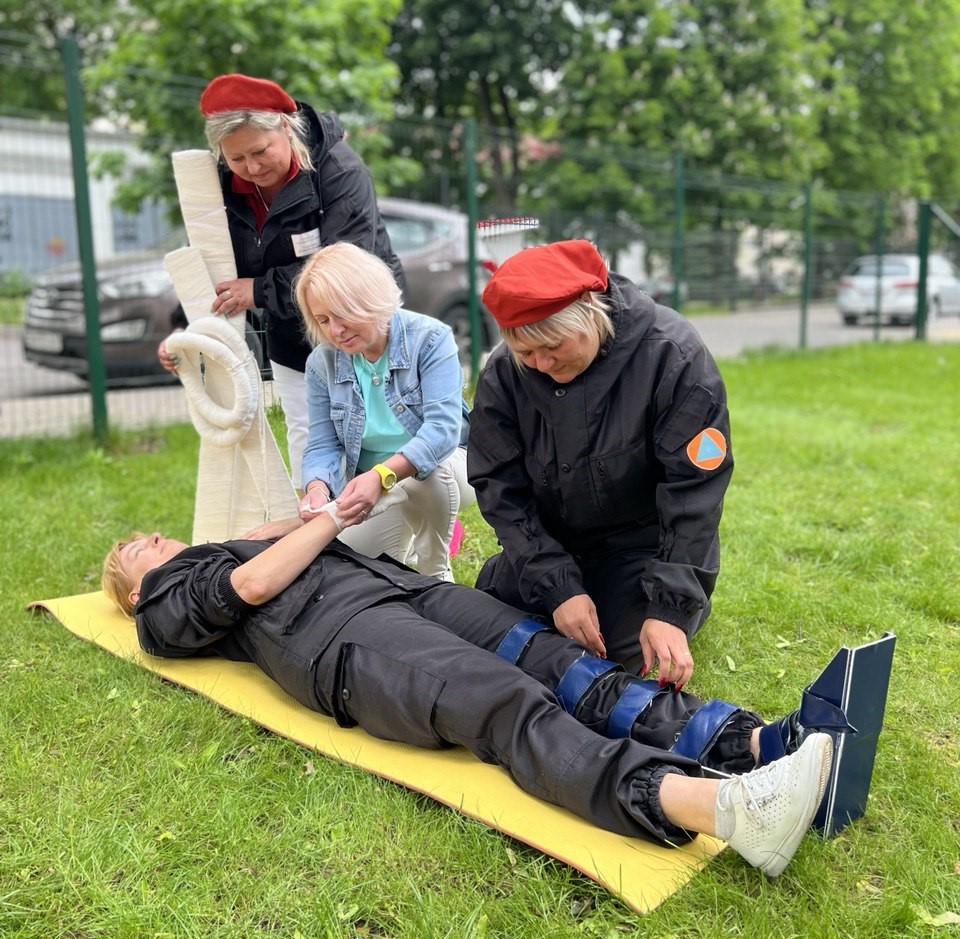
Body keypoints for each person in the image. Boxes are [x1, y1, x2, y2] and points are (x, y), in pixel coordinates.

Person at [101, 501, 835, 879]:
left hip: (403, 592)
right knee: (505, 701)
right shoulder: (164, 607)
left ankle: (750, 743)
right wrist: (322, 516)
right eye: (136, 547)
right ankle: (724, 810)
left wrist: (326, 501)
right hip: (345, 641)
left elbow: (275, 537)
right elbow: (257, 581)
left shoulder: (214, 550)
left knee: (551, 657)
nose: (152, 538)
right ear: (132, 592)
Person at [468, 240, 733, 687]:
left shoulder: (673, 356)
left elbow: (694, 492)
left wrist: (669, 608)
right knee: (479, 626)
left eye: (553, 346)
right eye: (527, 353)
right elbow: (500, 489)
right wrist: (557, 587)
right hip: (553, 544)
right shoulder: (504, 372)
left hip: (642, 547)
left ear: (592, 311)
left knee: (618, 660)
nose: (543, 364)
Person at [159, 73, 405, 491]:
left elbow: (350, 263)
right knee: (308, 435)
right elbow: (207, 266)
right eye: (237, 159)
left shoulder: (339, 170)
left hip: (363, 319)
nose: (252, 169)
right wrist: (186, 334)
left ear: (285, 128)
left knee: (379, 431)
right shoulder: (218, 187)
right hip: (291, 330)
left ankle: (401, 527)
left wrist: (256, 290)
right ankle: (325, 540)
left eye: (260, 151)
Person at [288, 242, 473, 581]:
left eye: (342, 314)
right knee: (356, 568)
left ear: (369, 297)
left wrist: (379, 476)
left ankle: (436, 570)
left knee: (427, 476)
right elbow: (322, 443)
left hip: (449, 468)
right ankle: (419, 524)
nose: (335, 331)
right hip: (375, 485)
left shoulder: (431, 339)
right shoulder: (321, 363)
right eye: (323, 320)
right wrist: (316, 489)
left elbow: (443, 431)